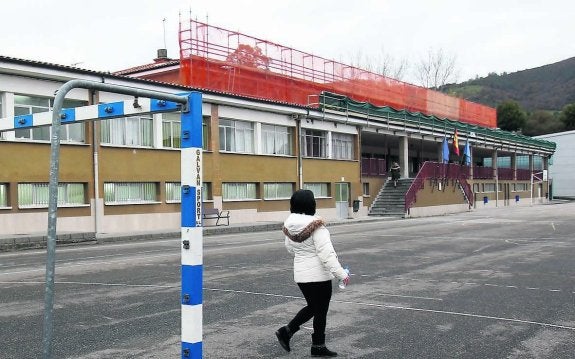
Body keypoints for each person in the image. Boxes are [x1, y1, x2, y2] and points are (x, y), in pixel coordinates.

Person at [275, 189, 350, 357]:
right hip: (319, 276)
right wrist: (342, 274)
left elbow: (290, 249)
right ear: (312, 204)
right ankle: (315, 344)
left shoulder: (289, 226)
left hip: (301, 275)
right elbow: (327, 255)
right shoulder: (318, 227)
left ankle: (290, 332)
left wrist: (304, 255)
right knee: (320, 310)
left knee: (313, 307)